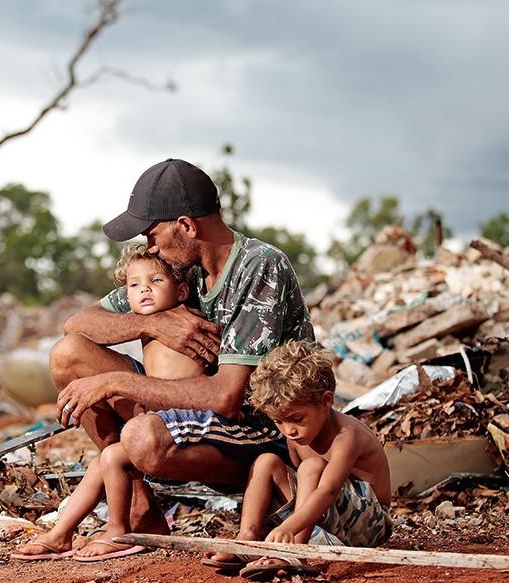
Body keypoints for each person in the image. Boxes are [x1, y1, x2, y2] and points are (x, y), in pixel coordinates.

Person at [53, 158, 315, 535]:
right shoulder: (180, 267)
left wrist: (114, 383)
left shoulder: (259, 267)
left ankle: (266, 503)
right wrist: (152, 322)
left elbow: (227, 397)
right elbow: (76, 324)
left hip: (260, 432)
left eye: (152, 235)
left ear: (187, 226)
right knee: (68, 354)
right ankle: (142, 511)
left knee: (142, 438)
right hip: (192, 416)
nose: (151, 249)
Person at [13, 244, 203, 562]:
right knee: (104, 461)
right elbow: (76, 323)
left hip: (184, 418)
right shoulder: (149, 312)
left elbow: (188, 386)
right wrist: (145, 327)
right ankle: (62, 533)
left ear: (182, 290)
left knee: (111, 458)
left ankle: (118, 527)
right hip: (155, 407)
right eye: (134, 285)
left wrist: (146, 405)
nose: (144, 289)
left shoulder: (188, 320)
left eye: (155, 281)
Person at [204, 342, 392, 579]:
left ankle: (295, 553)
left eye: (296, 418)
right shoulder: (298, 435)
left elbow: (327, 490)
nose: (289, 430)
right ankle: (247, 541)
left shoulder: (347, 436)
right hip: (328, 517)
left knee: (311, 467)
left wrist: (289, 528)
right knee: (266, 462)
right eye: (279, 422)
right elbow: (301, 489)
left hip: (370, 524)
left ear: (326, 401)